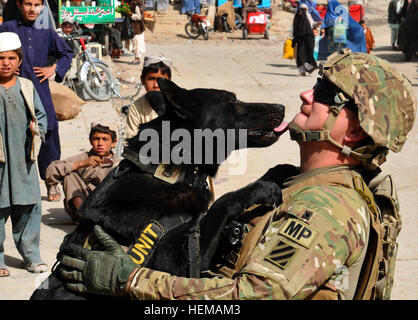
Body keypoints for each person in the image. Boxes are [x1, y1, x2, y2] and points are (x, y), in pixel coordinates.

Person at [57, 49, 416, 299]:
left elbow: (249, 296)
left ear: (352, 132)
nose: (306, 92)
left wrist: (130, 281)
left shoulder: (324, 209)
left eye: (324, 92)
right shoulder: (293, 182)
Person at [0, 32, 49, 277]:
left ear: (19, 60)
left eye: (11, 58)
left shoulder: (27, 86)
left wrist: (38, 131)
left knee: (29, 209)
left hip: (24, 161)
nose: (6, 63)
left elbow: (41, 115)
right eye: (0, 58)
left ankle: (31, 256)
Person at [0, 0, 73, 196]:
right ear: (19, 6)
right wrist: (2, 70)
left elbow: (67, 52)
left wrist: (53, 69)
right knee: (15, 133)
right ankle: (15, 185)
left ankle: (51, 180)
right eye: (27, 4)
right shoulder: (8, 28)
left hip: (40, 88)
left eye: (37, 4)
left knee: (49, 130)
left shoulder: (46, 30)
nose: (32, 9)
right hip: (13, 89)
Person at [45, 123, 119, 223]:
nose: (100, 143)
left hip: (106, 210)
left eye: (105, 139)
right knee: (69, 175)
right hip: (81, 209)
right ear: (90, 140)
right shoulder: (83, 158)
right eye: (96, 139)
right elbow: (51, 170)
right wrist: (80, 164)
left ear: (113, 143)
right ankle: (85, 219)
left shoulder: (118, 163)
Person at [124, 55, 173, 140]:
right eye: (151, 79)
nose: (156, 85)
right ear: (142, 80)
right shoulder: (136, 108)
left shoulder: (179, 105)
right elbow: (130, 140)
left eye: (162, 80)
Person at [292, 4, 317, 76]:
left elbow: (310, 30)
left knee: (305, 56)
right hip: (300, 41)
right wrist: (293, 40)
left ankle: (310, 68)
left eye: (301, 12)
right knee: (299, 56)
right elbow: (294, 30)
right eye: (299, 13)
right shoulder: (297, 19)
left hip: (307, 40)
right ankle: (302, 72)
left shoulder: (306, 20)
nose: (300, 14)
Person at [125, 0, 145, 65]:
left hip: (137, 28)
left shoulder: (136, 6)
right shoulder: (132, 5)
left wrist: (131, 14)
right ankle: (136, 58)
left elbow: (139, 17)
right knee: (134, 43)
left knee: (136, 43)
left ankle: (137, 59)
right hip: (134, 27)